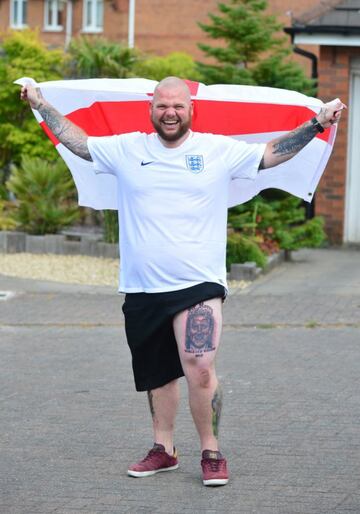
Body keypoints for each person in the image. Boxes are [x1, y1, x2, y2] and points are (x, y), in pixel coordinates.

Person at [21, 77, 344, 486]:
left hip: (198, 283)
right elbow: (80, 142)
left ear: (191, 108)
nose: (169, 113)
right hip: (141, 286)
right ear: (151, 108)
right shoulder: (126, 148)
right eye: (162, 106)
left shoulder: (216, 150)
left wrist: (317, 123)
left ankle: (211, 450)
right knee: (158, 374)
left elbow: (270, 154)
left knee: (200, 366)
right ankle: (165, 449)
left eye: (177, 106)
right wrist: (42, 104)